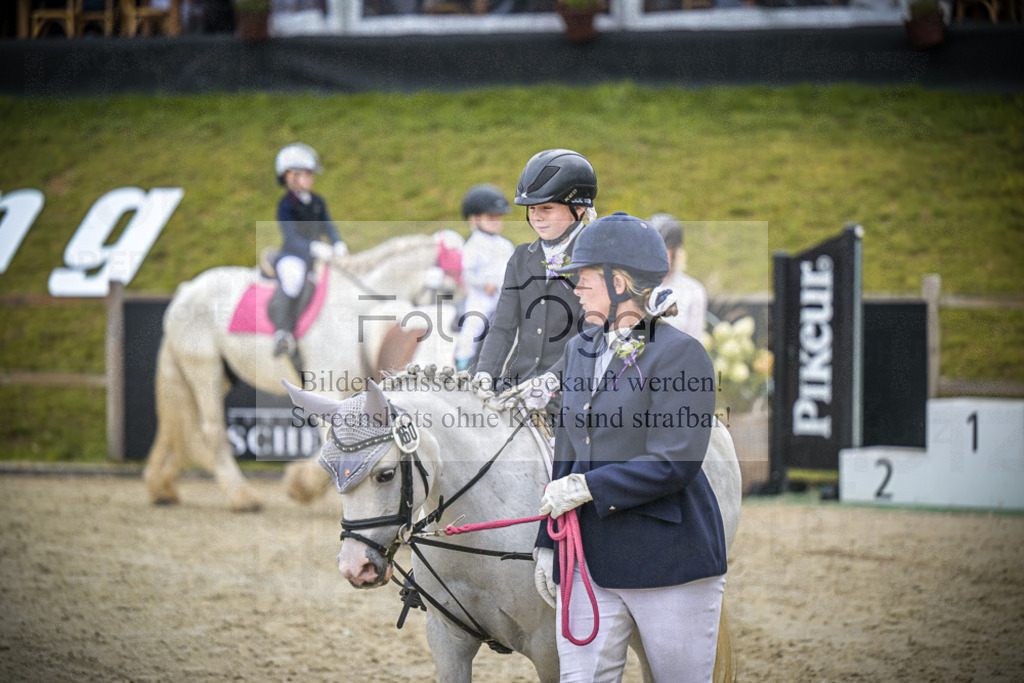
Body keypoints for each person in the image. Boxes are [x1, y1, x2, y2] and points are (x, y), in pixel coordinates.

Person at [533, 212, 727, 682]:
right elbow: (567, 451)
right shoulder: (579, 350)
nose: (576, 290)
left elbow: (675, 460)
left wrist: (589, 487)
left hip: (667, 559)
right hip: (585, 558)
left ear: (618, 283)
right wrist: (547, 543)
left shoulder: (681, 354)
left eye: (584, 279)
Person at [472, 148, 598, 400]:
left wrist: (552, 380)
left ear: (578, 208)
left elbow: (591, 333)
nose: (537, 217)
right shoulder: (521, 257)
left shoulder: (595, 258)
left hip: (570, 389)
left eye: (546, 208)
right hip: (517, 384)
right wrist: (485, 373)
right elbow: (503, 326)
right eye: (531, 209)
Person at [270, 142, 347, 358]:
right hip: (293, 256)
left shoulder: (317, 201)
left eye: (310, 174)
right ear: (291, 176)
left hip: (317, 256)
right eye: (305, 174)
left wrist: (338, 243)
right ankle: (283, 332)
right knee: (293, 281)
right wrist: (313, 247)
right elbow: (291, 237)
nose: (310, 178)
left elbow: (327, 225)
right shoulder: (285, 206)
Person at [454, 184, 515, 372]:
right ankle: (464, 359)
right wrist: (484, 285)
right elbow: (468, 274)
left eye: (498, 217)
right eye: (491, 217)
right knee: (475, 323)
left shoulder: (505, 244)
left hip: (505, 295)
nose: (496, 221)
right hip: (482, 298)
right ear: (474, 219)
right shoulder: (473, 246)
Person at [649, 212, 707, 340]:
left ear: (675, 252)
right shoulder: (633, 285)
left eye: (662, 250)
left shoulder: (693, 291)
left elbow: (694, 341)